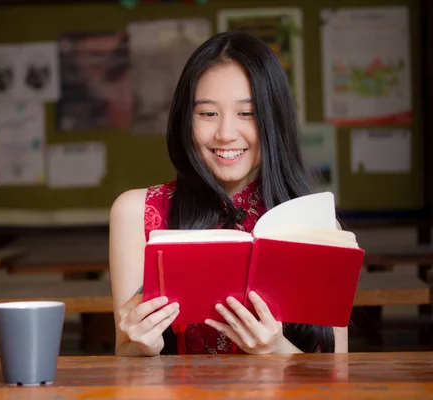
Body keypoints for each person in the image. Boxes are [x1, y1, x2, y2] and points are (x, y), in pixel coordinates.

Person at [109, 31, 348, 357]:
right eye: (207, 114)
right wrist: (138, 345)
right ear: (185, 119)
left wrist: (274, 348)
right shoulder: (136, 212)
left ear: (274, 120)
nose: (225, 134)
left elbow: (337, 377)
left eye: (247, 113)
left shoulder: (320, 229)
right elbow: (123, 357)